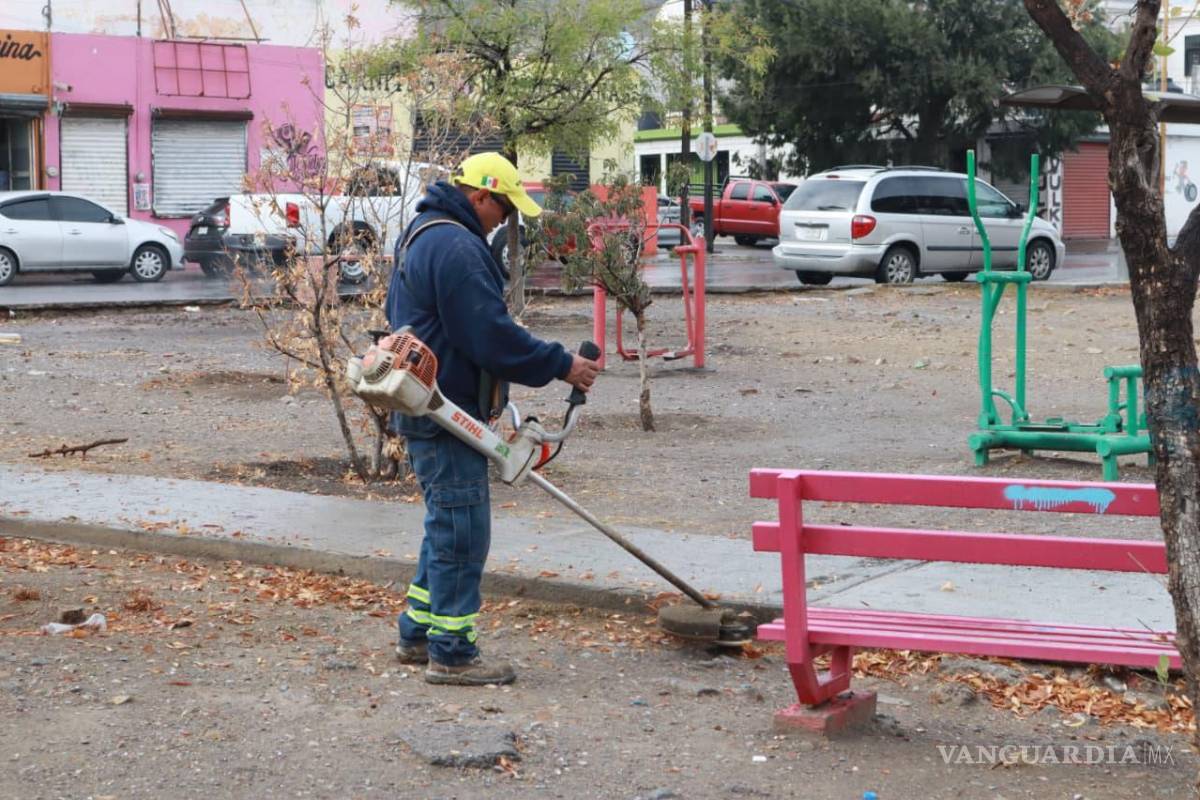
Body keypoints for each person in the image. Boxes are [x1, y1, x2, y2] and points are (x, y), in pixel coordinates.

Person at [385, 152, 600, 685]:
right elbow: (490, 335)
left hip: (431, 404)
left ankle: (417, 630)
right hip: (445, 410)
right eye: (502, 210)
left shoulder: (425, 232)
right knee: (462, 529)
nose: (503, 222)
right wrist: (562, 365)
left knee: (446, 523)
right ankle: (452, 652)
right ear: (479, 195)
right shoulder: (456, 245)